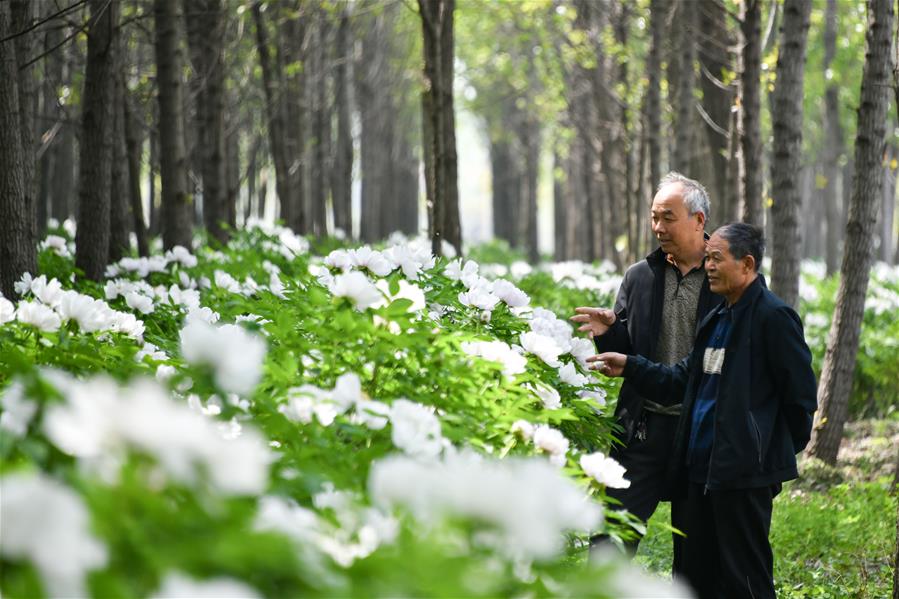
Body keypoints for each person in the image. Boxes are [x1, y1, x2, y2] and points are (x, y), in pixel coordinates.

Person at [590, 223, 817, 599]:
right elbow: (682, 378)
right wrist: (630, 365)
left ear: (746, 264)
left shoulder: (773, 318)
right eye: (707, 258)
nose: (708, 266)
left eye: (717, 259)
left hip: (743, 476)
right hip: (698, 473)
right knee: (693, 578)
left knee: (746, 578)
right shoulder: (716, 319)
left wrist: (762, 457)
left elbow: (801, 400)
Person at [570, 172, 719, 568]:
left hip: (702, 433)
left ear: (699, 220)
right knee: (609, 542)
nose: (658, 227)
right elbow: (628, 359)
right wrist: (610, 333)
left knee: (698, 555)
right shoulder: (640, 276)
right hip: (642, 429)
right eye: (654, 217)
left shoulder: (725, 278)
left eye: (667, 217)